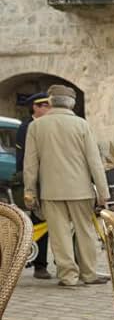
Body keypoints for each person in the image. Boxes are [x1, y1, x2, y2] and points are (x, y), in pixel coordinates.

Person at [23, 84, 110, 287]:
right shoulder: (82, 125)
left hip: (51, 191)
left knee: (59, 235)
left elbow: (30, 163)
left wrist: (29, 191)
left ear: (50, 101)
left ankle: (68, 276)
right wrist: (103, 192)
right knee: (86, 232)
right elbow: (94, 161)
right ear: (71, 103)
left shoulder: (36, 126)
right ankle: (88, 273)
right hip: (80, 190)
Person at [15, 92, 51, 279]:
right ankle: (40, 266)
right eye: (44, 105)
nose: (48, 108)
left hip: (50, 180)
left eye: (49, 105)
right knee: (40, 222)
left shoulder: (46, 125)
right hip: (34, 181)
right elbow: (23, 159)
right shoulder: (26, 126)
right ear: (35, 108)